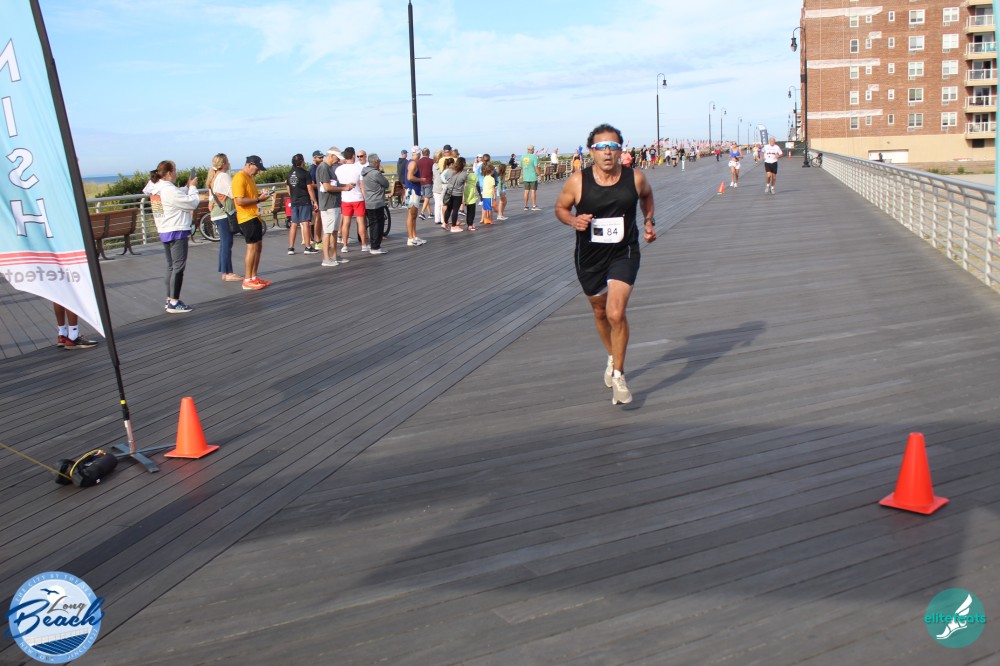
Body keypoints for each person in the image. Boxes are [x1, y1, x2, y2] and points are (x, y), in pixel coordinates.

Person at [554, 123, 655, 406]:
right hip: (589, 256)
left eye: (613, 146)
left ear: (621, 150)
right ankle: (612, 355)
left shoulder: (635, 178)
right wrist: (573, 220)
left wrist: (648, 221)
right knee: (600, 311)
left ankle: (619, 375)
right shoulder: (578, 181)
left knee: (615, 312)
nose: (607, 152)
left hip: (625, 251)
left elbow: (647, 196)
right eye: (601, 147)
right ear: (592, 152)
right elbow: (560, 208)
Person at [148, 160, 199, 312]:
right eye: (175, 170)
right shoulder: (168, 190)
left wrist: (187, 187)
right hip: (177, 229)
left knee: (171, 266)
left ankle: (169, 299)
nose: (176, 173)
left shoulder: (156, 188)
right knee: (178, 267)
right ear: (169, 173)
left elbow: (174, 197)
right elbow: (192, 203)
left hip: (164, 229)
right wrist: (193, 187)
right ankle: (174, 302)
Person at [231, 155, 272, 290]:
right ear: (249, 165)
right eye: (257, 168)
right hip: (246, 217)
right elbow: (239, 200)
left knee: (258, 247)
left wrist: (260, 196)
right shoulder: (240, 177)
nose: (258, 171)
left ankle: (253, 277)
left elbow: (250, 196)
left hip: (255, 215)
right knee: (252, 247)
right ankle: (247, 279)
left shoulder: (250, 178)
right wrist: (259, 199)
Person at [206, 153, 241, 282]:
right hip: (224, 213)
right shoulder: (223, 176)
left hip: (217, 213)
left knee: (224, 243)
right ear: (224, 163)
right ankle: (227, 273)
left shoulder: (214, 177)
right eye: (227, 161)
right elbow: (234, 193)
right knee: (227, 243)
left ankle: (224, 271)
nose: (229, 163)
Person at [315, 147, 352, 267]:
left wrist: (346, 185)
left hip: (334, 204)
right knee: (328, 231)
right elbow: (327, 187)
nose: (338, 160)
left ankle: (334, 255)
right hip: (328, 205)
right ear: (331, 155)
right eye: (337, 158)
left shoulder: (329, 168)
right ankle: (326, 258)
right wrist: (344, 188)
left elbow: (333, 184)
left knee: (334, 231)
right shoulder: (323, 168)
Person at [336, 147, 369, 253]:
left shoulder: (338, 169)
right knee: (361, 222)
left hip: (345, 198)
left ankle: (345, 245)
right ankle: (364, 245)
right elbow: (362, 186)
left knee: (346, 222)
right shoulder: (358, 169)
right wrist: (365, 198)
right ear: (354, 155)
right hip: (358, 198)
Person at [285, 154, 319, 255]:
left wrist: (293, 197)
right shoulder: (305, 173)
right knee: (305, 223)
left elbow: (288, 188)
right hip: (304, 200)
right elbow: (310, 188)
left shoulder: (289, 173)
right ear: (301, 161)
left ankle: (291, 248)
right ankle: (308, 247)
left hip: (294, 201)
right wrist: (314, 201)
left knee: (294, 224)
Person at [361, 153, 390, 255]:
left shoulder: (364, 172)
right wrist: (380, 171)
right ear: (376, 162)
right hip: (377, 202)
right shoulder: (376, 173)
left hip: (369, 202)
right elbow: (386, 183)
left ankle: (373, 245)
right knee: (378, 225)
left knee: (373, 224)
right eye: (379, 161)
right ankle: (375, 247)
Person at [403, 148, 427, 245]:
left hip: (414, 190)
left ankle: (414, 236)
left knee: (414, 215)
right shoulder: (413, 163)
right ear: (419, 154)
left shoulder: (411, 162)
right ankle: (410, 238)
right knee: (411, 214)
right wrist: (421, 179)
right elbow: (410, 177)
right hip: (412, 190)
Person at [442, 157, 465, 232]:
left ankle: (445, 223)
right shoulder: (463, 174)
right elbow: (465, 183)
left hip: (449, 192)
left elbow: (444, 178)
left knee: (448, 209)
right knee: (455, 210)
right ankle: (454, 226)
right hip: (458, 194)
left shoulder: (449, 171)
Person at [309, 150, 324, 248]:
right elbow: (311, 184)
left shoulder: (319, 168)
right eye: (319, 157)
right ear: (314, 158)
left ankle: (316, 239)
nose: (322, 159)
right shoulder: (313, 169)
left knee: (319, 218)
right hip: (316, 196)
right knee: (318, 218)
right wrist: (322, 185)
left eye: (322, 157)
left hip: (320, 196)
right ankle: (318, 241)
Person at [417, 147, 435, 220]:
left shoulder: (418, 162)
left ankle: (430, 213)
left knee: (425, 198)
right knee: (427, 198)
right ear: (429, 153)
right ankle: (422, 213)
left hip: (421, 182)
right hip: (428, 181)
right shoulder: (431, 161)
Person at [521, 144, 540, 210]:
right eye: (533, 149)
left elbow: (521, 166)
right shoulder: (534, 157)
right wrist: (539, 175)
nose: (534, 150)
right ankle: (534, 206)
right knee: (533, 191)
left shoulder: (523, 156)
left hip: (525, 176)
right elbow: (536, 167)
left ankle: (525, 206)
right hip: (532, 176)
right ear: (532, 150)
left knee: (526, 191)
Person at [432, 149, 446, 225]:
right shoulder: (442, 167)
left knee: (437, 204)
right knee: (442, 203)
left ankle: (437, 219)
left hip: (435, 187)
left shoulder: (434, 166)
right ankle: (443, 219)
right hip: (441, 187)